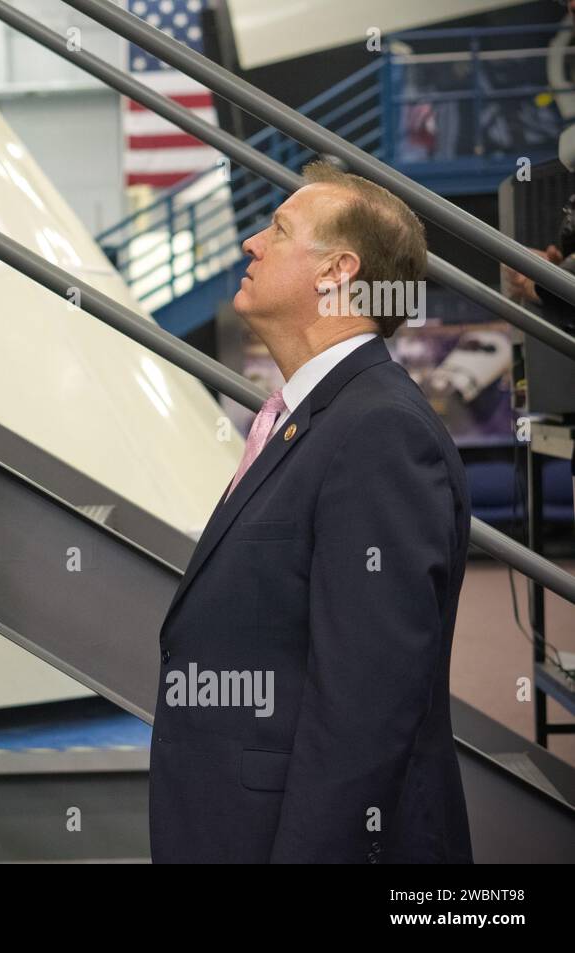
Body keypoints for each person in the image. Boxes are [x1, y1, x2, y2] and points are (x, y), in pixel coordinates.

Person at [150, 160, 473, 863]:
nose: (251, 244)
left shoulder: (378, 433)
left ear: (338, 272)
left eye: (279, 229)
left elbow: (365, 712)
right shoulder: (309, 419)